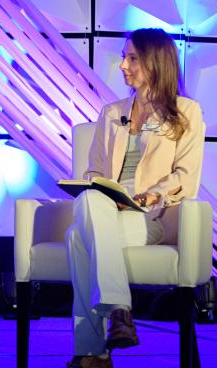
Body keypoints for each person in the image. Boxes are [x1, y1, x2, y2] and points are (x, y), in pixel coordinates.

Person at [65, 28, 205, 368]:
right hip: (107, 208)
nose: (123, 66)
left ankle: (93, 354)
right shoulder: (111, 113)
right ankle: (118, 312)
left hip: (150, 216)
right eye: (124, 57)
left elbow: (186, 177)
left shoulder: (186, 112)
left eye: (132, 58)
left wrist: (151, 193)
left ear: (155, 62)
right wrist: (102, 189)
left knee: (77, 239)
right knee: (90, 200)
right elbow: (93, 171)